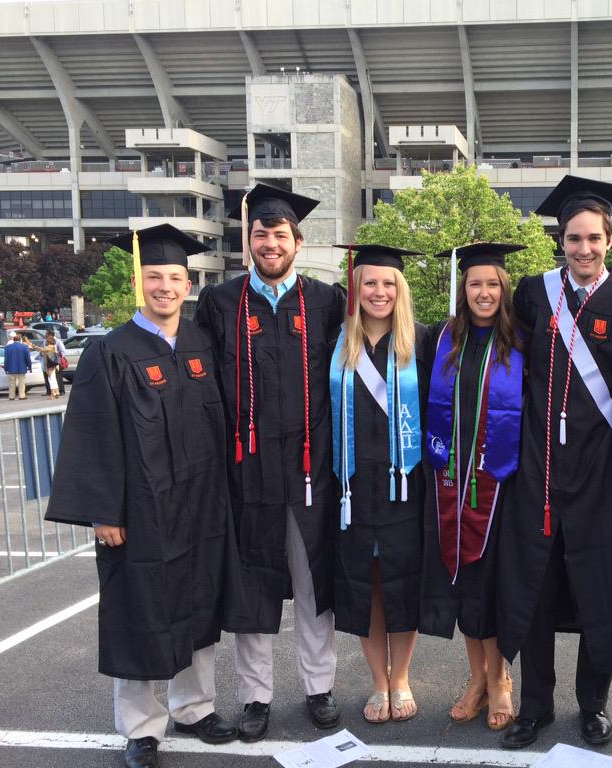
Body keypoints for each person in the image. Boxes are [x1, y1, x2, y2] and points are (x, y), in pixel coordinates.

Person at [45, 224, 244, 768]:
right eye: (154, 276)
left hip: (202, 505)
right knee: (140, 610)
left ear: (188, 283)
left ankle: (195, 707)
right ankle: (140, 726)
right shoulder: (111, 352)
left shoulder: (203, 344)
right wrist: (104, 512)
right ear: (140, 281)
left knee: (199, 605)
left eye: (175, 277)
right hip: (142, 511)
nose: (165, 286)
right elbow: (91, 433)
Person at [496, 176, 612, 749]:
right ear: (559, 241)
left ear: (610, 240)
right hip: (537, 468)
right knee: (534, 587)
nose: (582, 249)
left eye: (593, 238)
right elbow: (511, 371)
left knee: (597, 587)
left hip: (602, 471)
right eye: (571, 239)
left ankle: (594, 705)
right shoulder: (535, 295)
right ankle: (535, 704)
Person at [194, 184, 346, 741]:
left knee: (313, 585)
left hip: (312, 470)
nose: (269, 242)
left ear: (297, 242)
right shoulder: (221, 303)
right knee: (252, 585)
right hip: (248, 471)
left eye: (279, 234)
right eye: (260, 234)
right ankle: (255, 697)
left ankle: (318, 687)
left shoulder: (327, 302)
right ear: (247, 242)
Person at [420, 243, 525, 731]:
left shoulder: (522, 341)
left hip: (503, 483)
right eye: (475, 284)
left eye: (492, 284)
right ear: (463, 290)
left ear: (505, 290)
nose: (484, 292)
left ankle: (499, 679)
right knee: (465, 579)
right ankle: (476, 678)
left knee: (494, 583)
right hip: (451, 481)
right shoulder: (444, 339)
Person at [329, 244, 429, 724]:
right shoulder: (336, 345)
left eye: (389, 283)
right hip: (351, 489)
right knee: (366, 583)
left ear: (400, 290)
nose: (379, 291)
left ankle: (402, 677)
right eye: (369, 282)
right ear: (356, 289)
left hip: (405, 487)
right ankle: (377, 682)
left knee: (401, 583)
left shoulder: (422, 343)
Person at [4, 332, 32, 400]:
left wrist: (6, 368)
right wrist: (29, 366)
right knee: (21, 382)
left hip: (11, 367)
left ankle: (11, 396)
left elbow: (6, 359)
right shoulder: (24, 347)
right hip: (22, 367)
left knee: (11, 383)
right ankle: (22, 396)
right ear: (20, 340)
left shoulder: (7, 347)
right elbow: (27, 358)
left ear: (13, 339)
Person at [36, 329, 62, 398]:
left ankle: (53, 393)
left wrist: (32, 345)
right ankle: (56, 392)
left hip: (50, 365)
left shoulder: (49, 347)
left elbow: (41, 350)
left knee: (51, 379)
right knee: (53, 379)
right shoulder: (53, 347)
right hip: (54, 365)